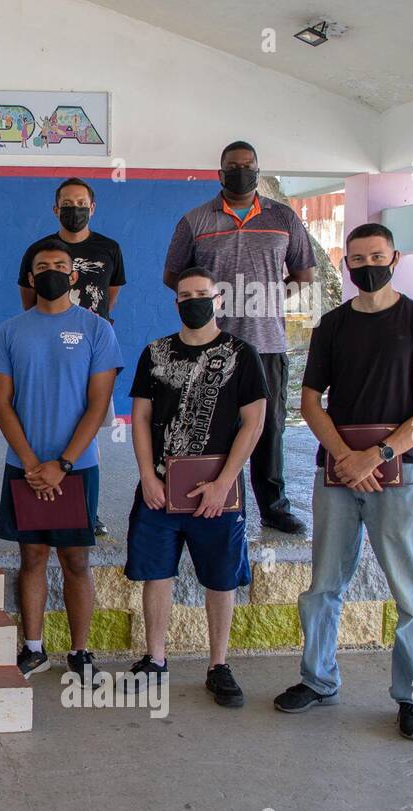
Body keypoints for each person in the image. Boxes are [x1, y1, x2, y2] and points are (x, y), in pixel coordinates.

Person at [274, 224, 413, 741]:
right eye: (356, 258)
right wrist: (345, 457)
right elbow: (309, 402)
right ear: (345, 263)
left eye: (376, 256)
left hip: (397, 472)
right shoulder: (331, 326)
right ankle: (318, 678)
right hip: (336, 471)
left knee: (411, 592)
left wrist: (376, 455)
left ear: (393, 257)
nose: (366, 265)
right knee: (323, 586)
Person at [124, 267, 268, 707]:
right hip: (160, 489)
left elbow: (254, 421)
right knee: (156, 574)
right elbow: (142, 418)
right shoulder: (155, 352)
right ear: (176, 304)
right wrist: (148, 475)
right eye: (185, 296)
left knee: (221, 579)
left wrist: (224, 483)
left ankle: (218, 665)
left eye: (201, 294)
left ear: (218, 299)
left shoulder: (243, 354)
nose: (193, 301)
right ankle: (155, 657)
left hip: (217, 491)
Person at [0, 239, 122, 683]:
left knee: (77, 561)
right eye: (42, 266)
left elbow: (98, 405)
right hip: (24, 466)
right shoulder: (9, 331)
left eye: (59, 265)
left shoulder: (97, 329)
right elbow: (2, 404)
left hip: (77, 468)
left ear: (74, 276)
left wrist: (61, 463)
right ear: (29, 278)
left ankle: (80, 652)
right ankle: (34, 648)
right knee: (32, 557)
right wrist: (31, 463)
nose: (50, 271)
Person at [163, 141, 316, 535]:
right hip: (210, 346)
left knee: (270, 427)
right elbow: (172, 275)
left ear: (258, 169)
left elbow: (303, 274)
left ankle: (274, 506)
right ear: (220, 173)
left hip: (267, 345)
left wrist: (269, 297)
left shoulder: (284, 217)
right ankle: (215, 498)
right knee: (211, 426)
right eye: (233, 166)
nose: (241, 171)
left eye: (248, 165)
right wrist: (204, 301)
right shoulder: (195, 221)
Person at [18, 176, 127, 536]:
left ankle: (87, 508)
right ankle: (44, 489)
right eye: (67, 203)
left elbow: (111, 296)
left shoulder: (109, 248)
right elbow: (29, 302)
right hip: (51, 354)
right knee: (52, 421)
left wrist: (92, 330)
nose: (74, 209)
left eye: (81, 203)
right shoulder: (39, 249)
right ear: (55, 208)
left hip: (92, 353)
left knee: (90, 425)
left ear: (92, 208)